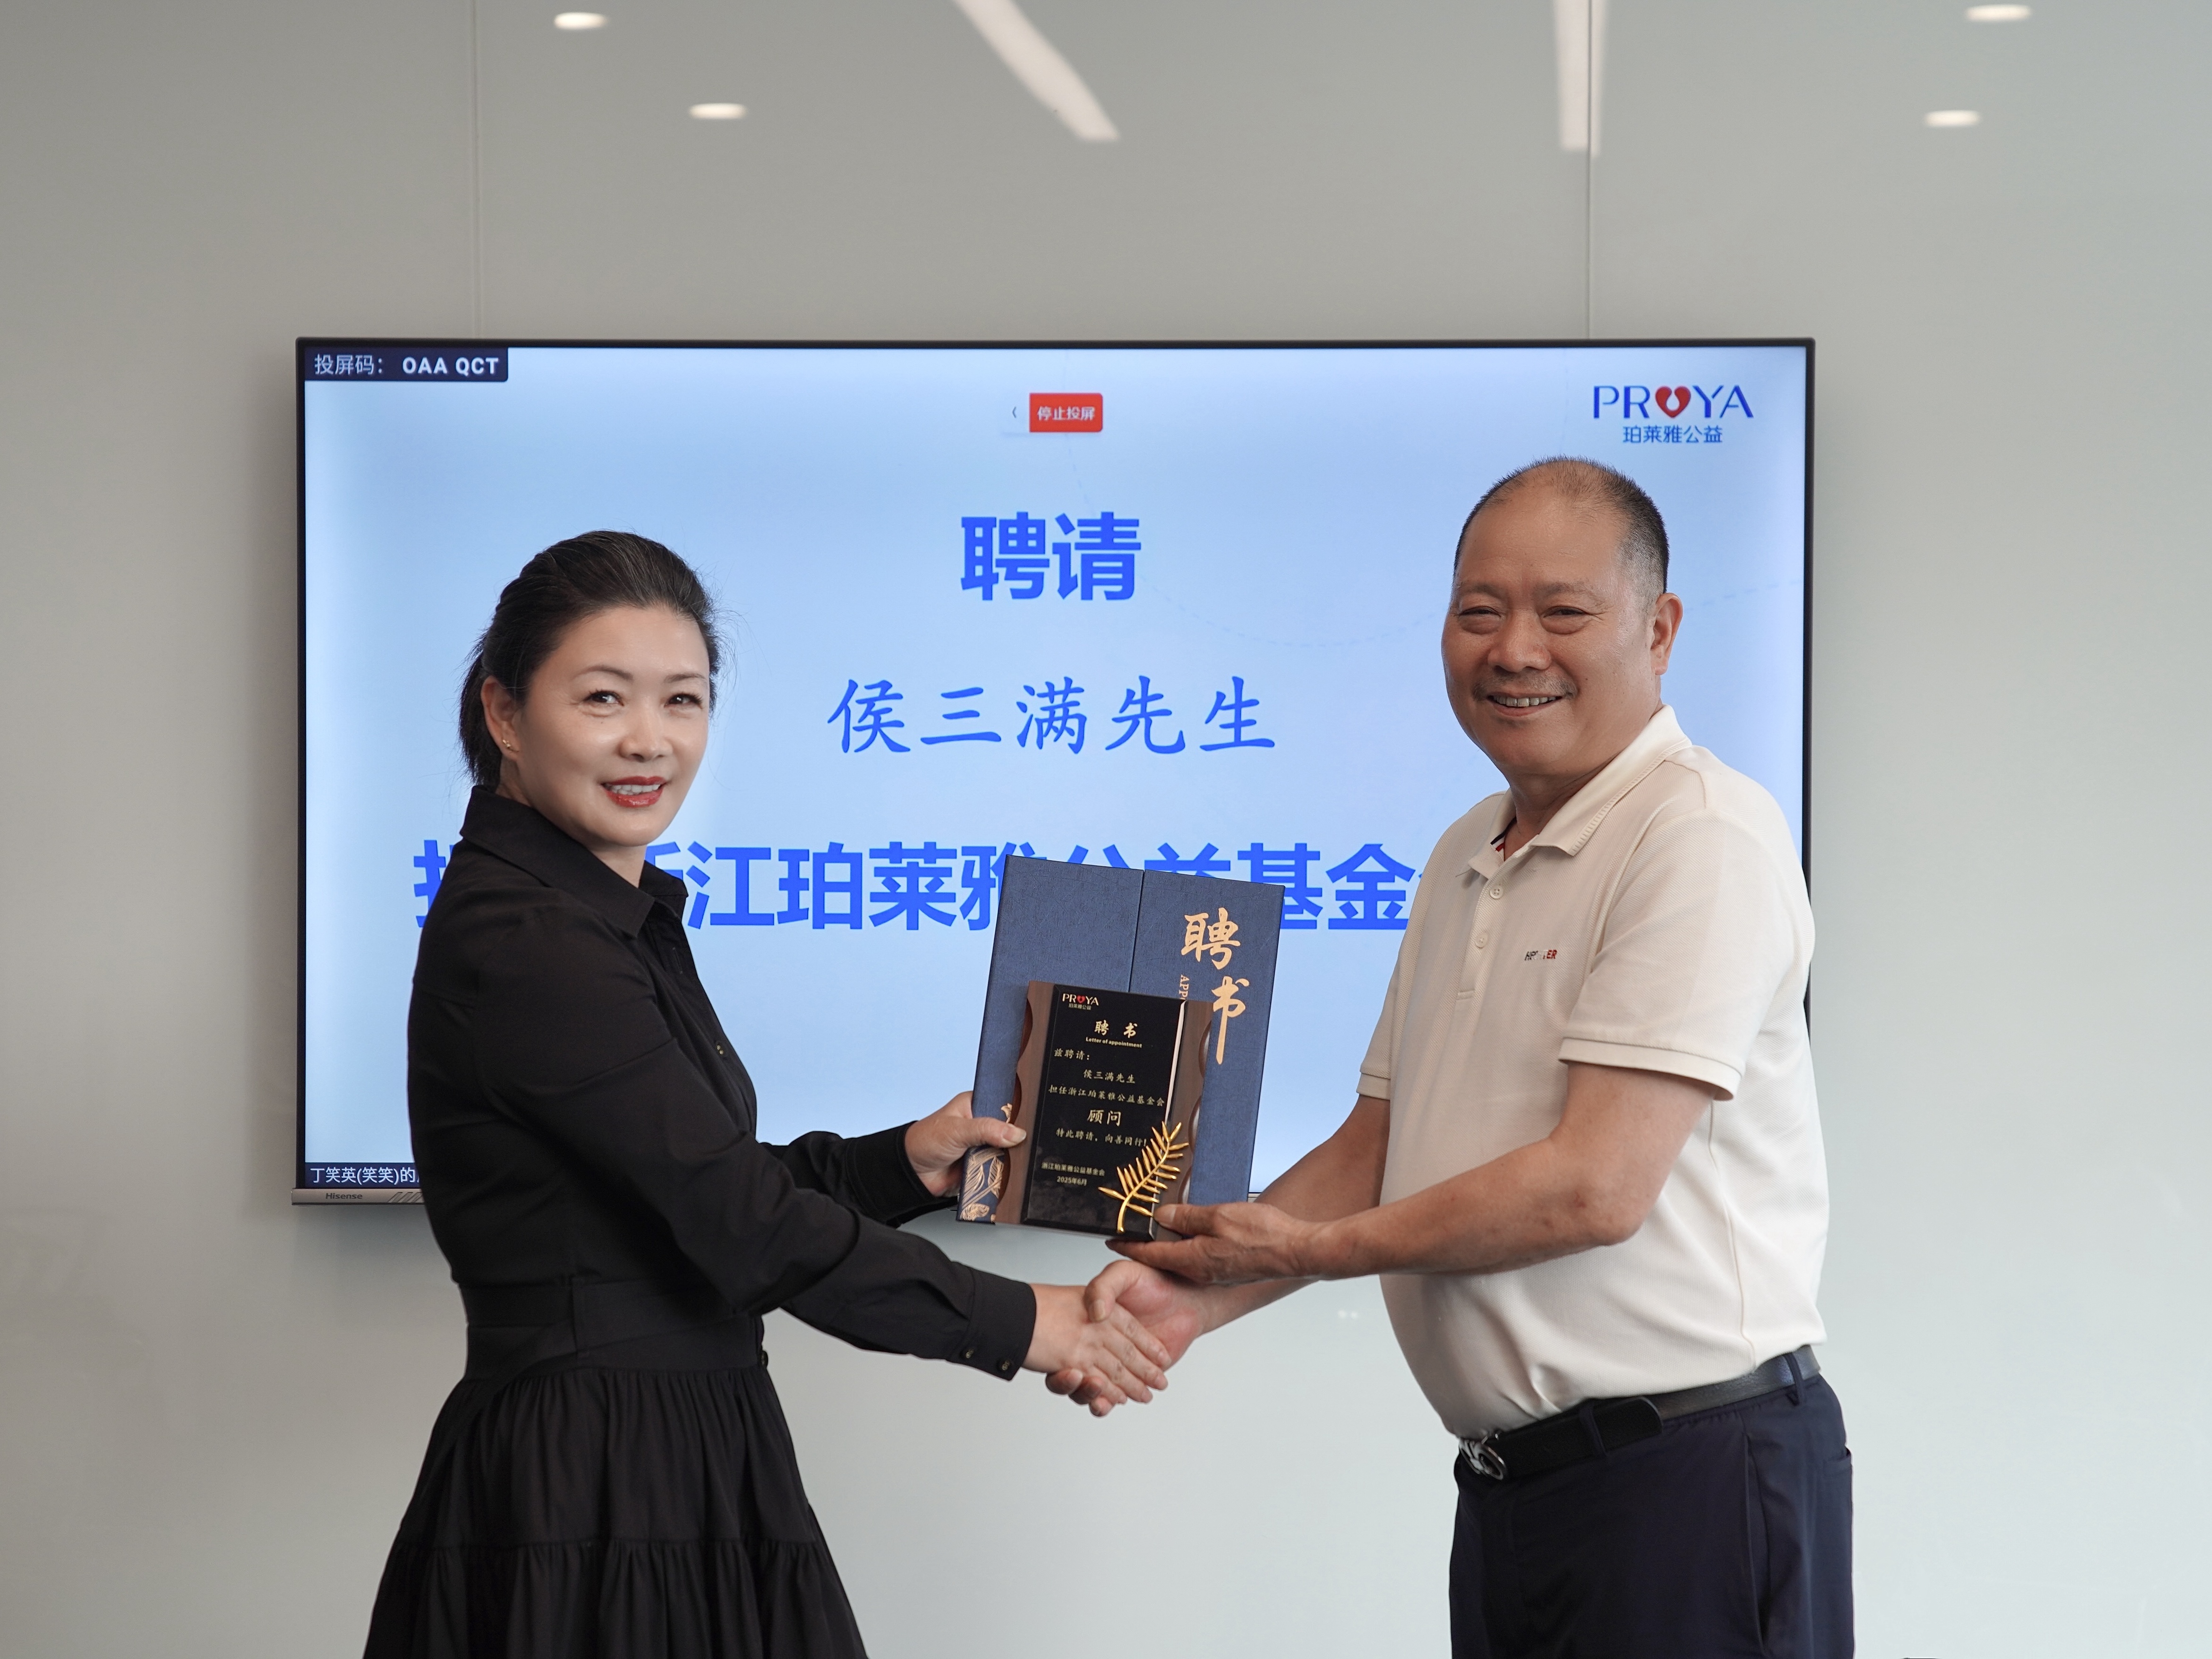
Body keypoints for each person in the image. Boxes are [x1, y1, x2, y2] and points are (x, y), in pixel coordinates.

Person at [1085, 460, 1849, 1659]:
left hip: (1686, 1483)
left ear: (1658, 630)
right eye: (1478, 611)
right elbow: (1375, 1145)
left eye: (1563, 610)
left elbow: (1594, 1187)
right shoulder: (1463, 852)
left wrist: (1310, 1254)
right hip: (1516, 1493)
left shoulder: (1696, 835)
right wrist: (1189, 1295)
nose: (1513, 649)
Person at [364, 531, 1173, 1659]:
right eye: (602, 698)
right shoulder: (528, 938)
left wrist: (903, 1162)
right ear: (504, 712)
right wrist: (1033, 1322)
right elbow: (739, 1223)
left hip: (667, 1453)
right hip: (596, 1482)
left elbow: (691, 1186)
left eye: (682, 699)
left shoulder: (598, 915)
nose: (649, 740)